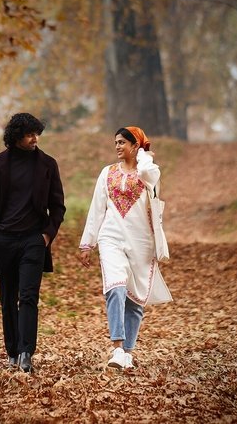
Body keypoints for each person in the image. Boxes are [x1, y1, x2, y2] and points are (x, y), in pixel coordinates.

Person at [0, 112, 66, 373]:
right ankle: (12, 351)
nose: (35, 139)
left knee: (28, 297)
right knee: (7, 298)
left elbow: (58, 206)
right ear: (15, 137)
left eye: (37, 134)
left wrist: (46, 235)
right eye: (29, 134)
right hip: (3, 241)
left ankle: (26, 353)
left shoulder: (48, 164)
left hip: (33, 241)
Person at [79, 126, 172, 370]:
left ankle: (128, 353)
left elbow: (148, 172)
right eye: (116, 142)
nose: (118, 146)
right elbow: (97, 208)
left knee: (135, 298)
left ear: (135, 145)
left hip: (141, 240)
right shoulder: (107, 172)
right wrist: (88, 243)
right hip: (110, 237)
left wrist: (143, 155)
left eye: (122, 142)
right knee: (116, 286)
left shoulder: (149, 172)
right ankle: (117, 349)